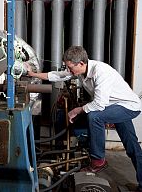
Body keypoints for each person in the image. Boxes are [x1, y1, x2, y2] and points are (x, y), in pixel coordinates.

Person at [25, 46, 142, 191]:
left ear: (81, 63)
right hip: (112, 106)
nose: (69, 71)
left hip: (127, 106)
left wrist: (77, 110)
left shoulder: (101, 72)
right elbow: (58, 76)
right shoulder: (81, 70)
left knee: (94, 117)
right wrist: (32, 74)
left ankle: (98, 160)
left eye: (70, 67)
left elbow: (100, 104)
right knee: (132, 147)